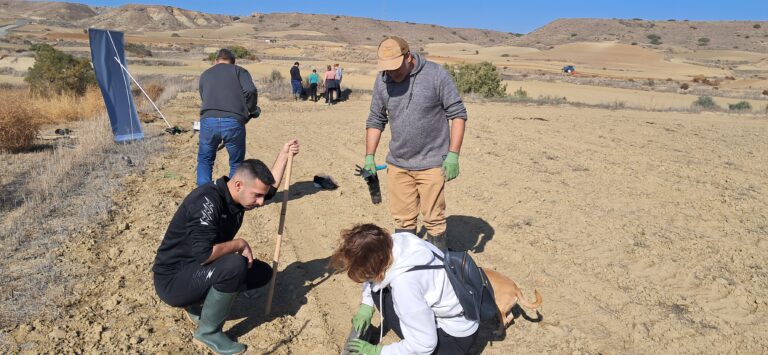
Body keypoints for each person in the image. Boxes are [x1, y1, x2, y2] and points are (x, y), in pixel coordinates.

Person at [152, 140, 299, 354]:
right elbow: (204, 255)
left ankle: (197, 303)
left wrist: (284, 153)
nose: (261, 202)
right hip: (172, 280)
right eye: (256, 196)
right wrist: (239, 243)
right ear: (238, 185)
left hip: (195, 269)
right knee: (234, 265)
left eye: (261, 196)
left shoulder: (236, 195)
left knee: (260, 273)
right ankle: (207, 333)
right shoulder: (208, 201)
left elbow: (269, 190)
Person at [364, 36, 467, 250]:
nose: (391, 73)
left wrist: (453, 154)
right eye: (387, 68)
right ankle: (408, 265)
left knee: (434, 220)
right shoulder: (382, 80)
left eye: (395, 67)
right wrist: (369, 156)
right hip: (398, 163)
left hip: (431, 163)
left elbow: (457, 113)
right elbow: (376, 118)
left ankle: (439, 264)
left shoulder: (435, 75)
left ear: (408, 57)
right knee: (403, 221)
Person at [331, 224, 479, 355]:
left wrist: (378, 351)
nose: (367, 279)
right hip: (465, 318)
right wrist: (366, 306)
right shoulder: (398, 241)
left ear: (376, 267)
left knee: (381, 294)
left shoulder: (405, 286)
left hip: (453, 340)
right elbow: (374, 276)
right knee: (377, 291)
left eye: (367, 274)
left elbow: (425, 345)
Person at [197, 48, 258, 187]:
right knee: (236, 163)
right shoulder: (239, 71)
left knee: (205, 160)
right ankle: (231, 198)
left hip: (208, 121)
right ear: (233, 62)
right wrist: (251, 109)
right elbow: (250, 90)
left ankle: (204, 196)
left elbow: (203, 95)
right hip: (233, 121)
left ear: (216, 61)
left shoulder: (206, 74)